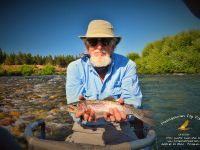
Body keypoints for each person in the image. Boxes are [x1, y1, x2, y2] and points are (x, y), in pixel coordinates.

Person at [65, 19, 144, 145]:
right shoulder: (74, 68)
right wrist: (81, 115)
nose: (99, 46)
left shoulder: (128, 65)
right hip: (84, 129)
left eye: (105, 41)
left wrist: (125, 115)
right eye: (93, 41)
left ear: (113, 46)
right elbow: (74, 113)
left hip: (120, 127)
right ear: (87, 46)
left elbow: (133, 102)